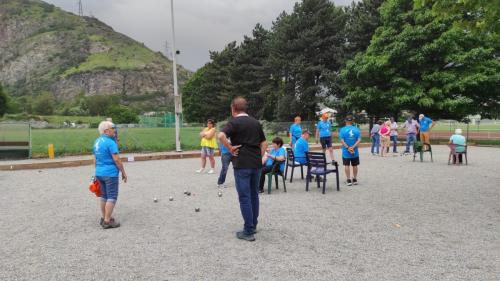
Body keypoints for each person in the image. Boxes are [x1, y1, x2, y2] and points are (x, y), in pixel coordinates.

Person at [218, 97, 267, 242]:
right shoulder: (255, 122)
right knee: (254, 195)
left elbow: (221, 135)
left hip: (242, 164)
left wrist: (230, 148)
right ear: (245, 108)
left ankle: (248, 231)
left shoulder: (234, 122)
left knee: (244, 197)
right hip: (256, 164)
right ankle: (254, 225)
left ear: (233, 108)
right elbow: (264, 143)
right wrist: (259, 155)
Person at [93, 121, 127, 229]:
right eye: (113, 128)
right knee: (112, 196)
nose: (115, 129)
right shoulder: (110, 142)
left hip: (100, 172)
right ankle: (107, 221)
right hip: (110, 173)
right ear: (106, 130)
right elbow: (116, 159)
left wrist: (97, 171)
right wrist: (123, 172)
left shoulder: (97, 141)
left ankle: (104, 217)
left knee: (104, 196)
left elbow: (95, 159)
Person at [339, 116, 361, 186]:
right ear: (352, 121)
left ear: (345, 121)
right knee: (355, 165)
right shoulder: (356, 129)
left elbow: (342, 140)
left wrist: (348, 148)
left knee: (347, 165)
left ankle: (348, 180)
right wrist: (353, 147)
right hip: (355, 151)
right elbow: (359, 140)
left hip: (346, 151)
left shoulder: (342, 129)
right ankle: (354, 179)